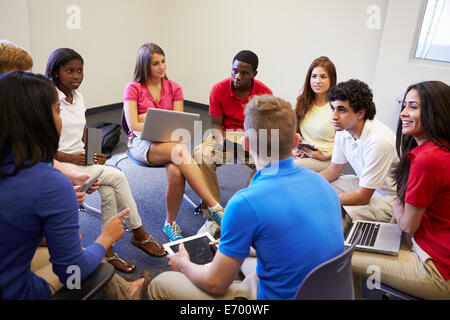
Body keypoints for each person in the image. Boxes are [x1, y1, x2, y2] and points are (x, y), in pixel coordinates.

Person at [149, 95, 344, 300]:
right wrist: (254, 248)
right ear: (296, 141)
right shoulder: (323, 184)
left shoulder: (244, 204)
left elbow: (215, 284)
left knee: (161, 284)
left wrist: (184, 265)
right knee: (242, 259)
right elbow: (300, 242)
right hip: (322, 292)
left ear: (246, 143)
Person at [0, 71, 151, 300]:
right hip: (18, 292)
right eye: (58, 111)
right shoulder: (49, 183)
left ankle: (122, 286)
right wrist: (106, 238)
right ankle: (127, 293)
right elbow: (72, 271)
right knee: (89, 258)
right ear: (40, 120)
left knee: (82, 252)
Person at [45, 48, 167, 273]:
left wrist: (92, 151)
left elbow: (82, 130)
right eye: (69, 71)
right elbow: (42, 148)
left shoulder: (78, 96)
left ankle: (107, 251)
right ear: (55, 72)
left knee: (109, 190)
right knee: (118, 176)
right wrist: (68, 156)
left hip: (80, 159)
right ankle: (138, 232)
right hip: (60, 165)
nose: (76, 76)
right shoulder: (49, 99)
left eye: (80, 71)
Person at [352, 81, 450, 299]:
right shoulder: (435, 149)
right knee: (359, 240)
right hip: (429, 247)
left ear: (436, 112)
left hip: (437, 268)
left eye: (413, 107)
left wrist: (397, 203)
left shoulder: (429, 159)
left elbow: (408, 224)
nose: (403, 113)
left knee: (340, 256)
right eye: (404, 106)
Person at [123, 43, 224, 241]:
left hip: (168, 141)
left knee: (177, 173)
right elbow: (133, 125)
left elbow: (178, 125)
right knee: (178, 150)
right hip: (140, 143)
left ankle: (170, 223)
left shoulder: (174, 88)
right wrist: (145, 121)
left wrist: (147, 118)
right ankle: (214, 207)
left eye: (163, 61)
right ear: (144, 66)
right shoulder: (133, 88)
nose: (162, 67)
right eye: (155, 63)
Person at [0, 39, 97, 206]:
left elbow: (38, 158)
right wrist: (53, 197)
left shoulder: (21, 117)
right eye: (23, 80)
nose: (30, 88)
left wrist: (71, 176)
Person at [193, 50, 273, 236]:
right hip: (225, 135)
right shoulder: (219, 89)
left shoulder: (265, 93)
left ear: (254, 74)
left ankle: (241, 210)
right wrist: (221, 142)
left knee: (269, 162)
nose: (238, 76)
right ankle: (213, 214)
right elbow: (215, 125)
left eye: (244, 73)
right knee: (201, 153)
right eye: (235, 70)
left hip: (252, 137)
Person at [319, 79, 398, 222]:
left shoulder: (379, 142)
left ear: (360, 113)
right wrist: (306, 184)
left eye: (341, 110)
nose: (334, 116)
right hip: (363, 183)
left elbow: (363, 196)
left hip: (386, 198)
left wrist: (325, 201)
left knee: (335, 208)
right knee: (318, 190)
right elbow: (333, 170)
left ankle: (333, 242)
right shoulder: (343, 130)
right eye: (333, 108)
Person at [293, 56, 337, 172]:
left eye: (323, 77)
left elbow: (345, 146)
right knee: (269, 159)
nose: (317, 81)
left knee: (287, 168)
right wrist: (295, 150)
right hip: (303, 154)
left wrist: (324, 156)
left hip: (324, 158)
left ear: (331, 80)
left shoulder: (337, 107)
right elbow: (294, 133)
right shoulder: (302, 102)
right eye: (314, 76)